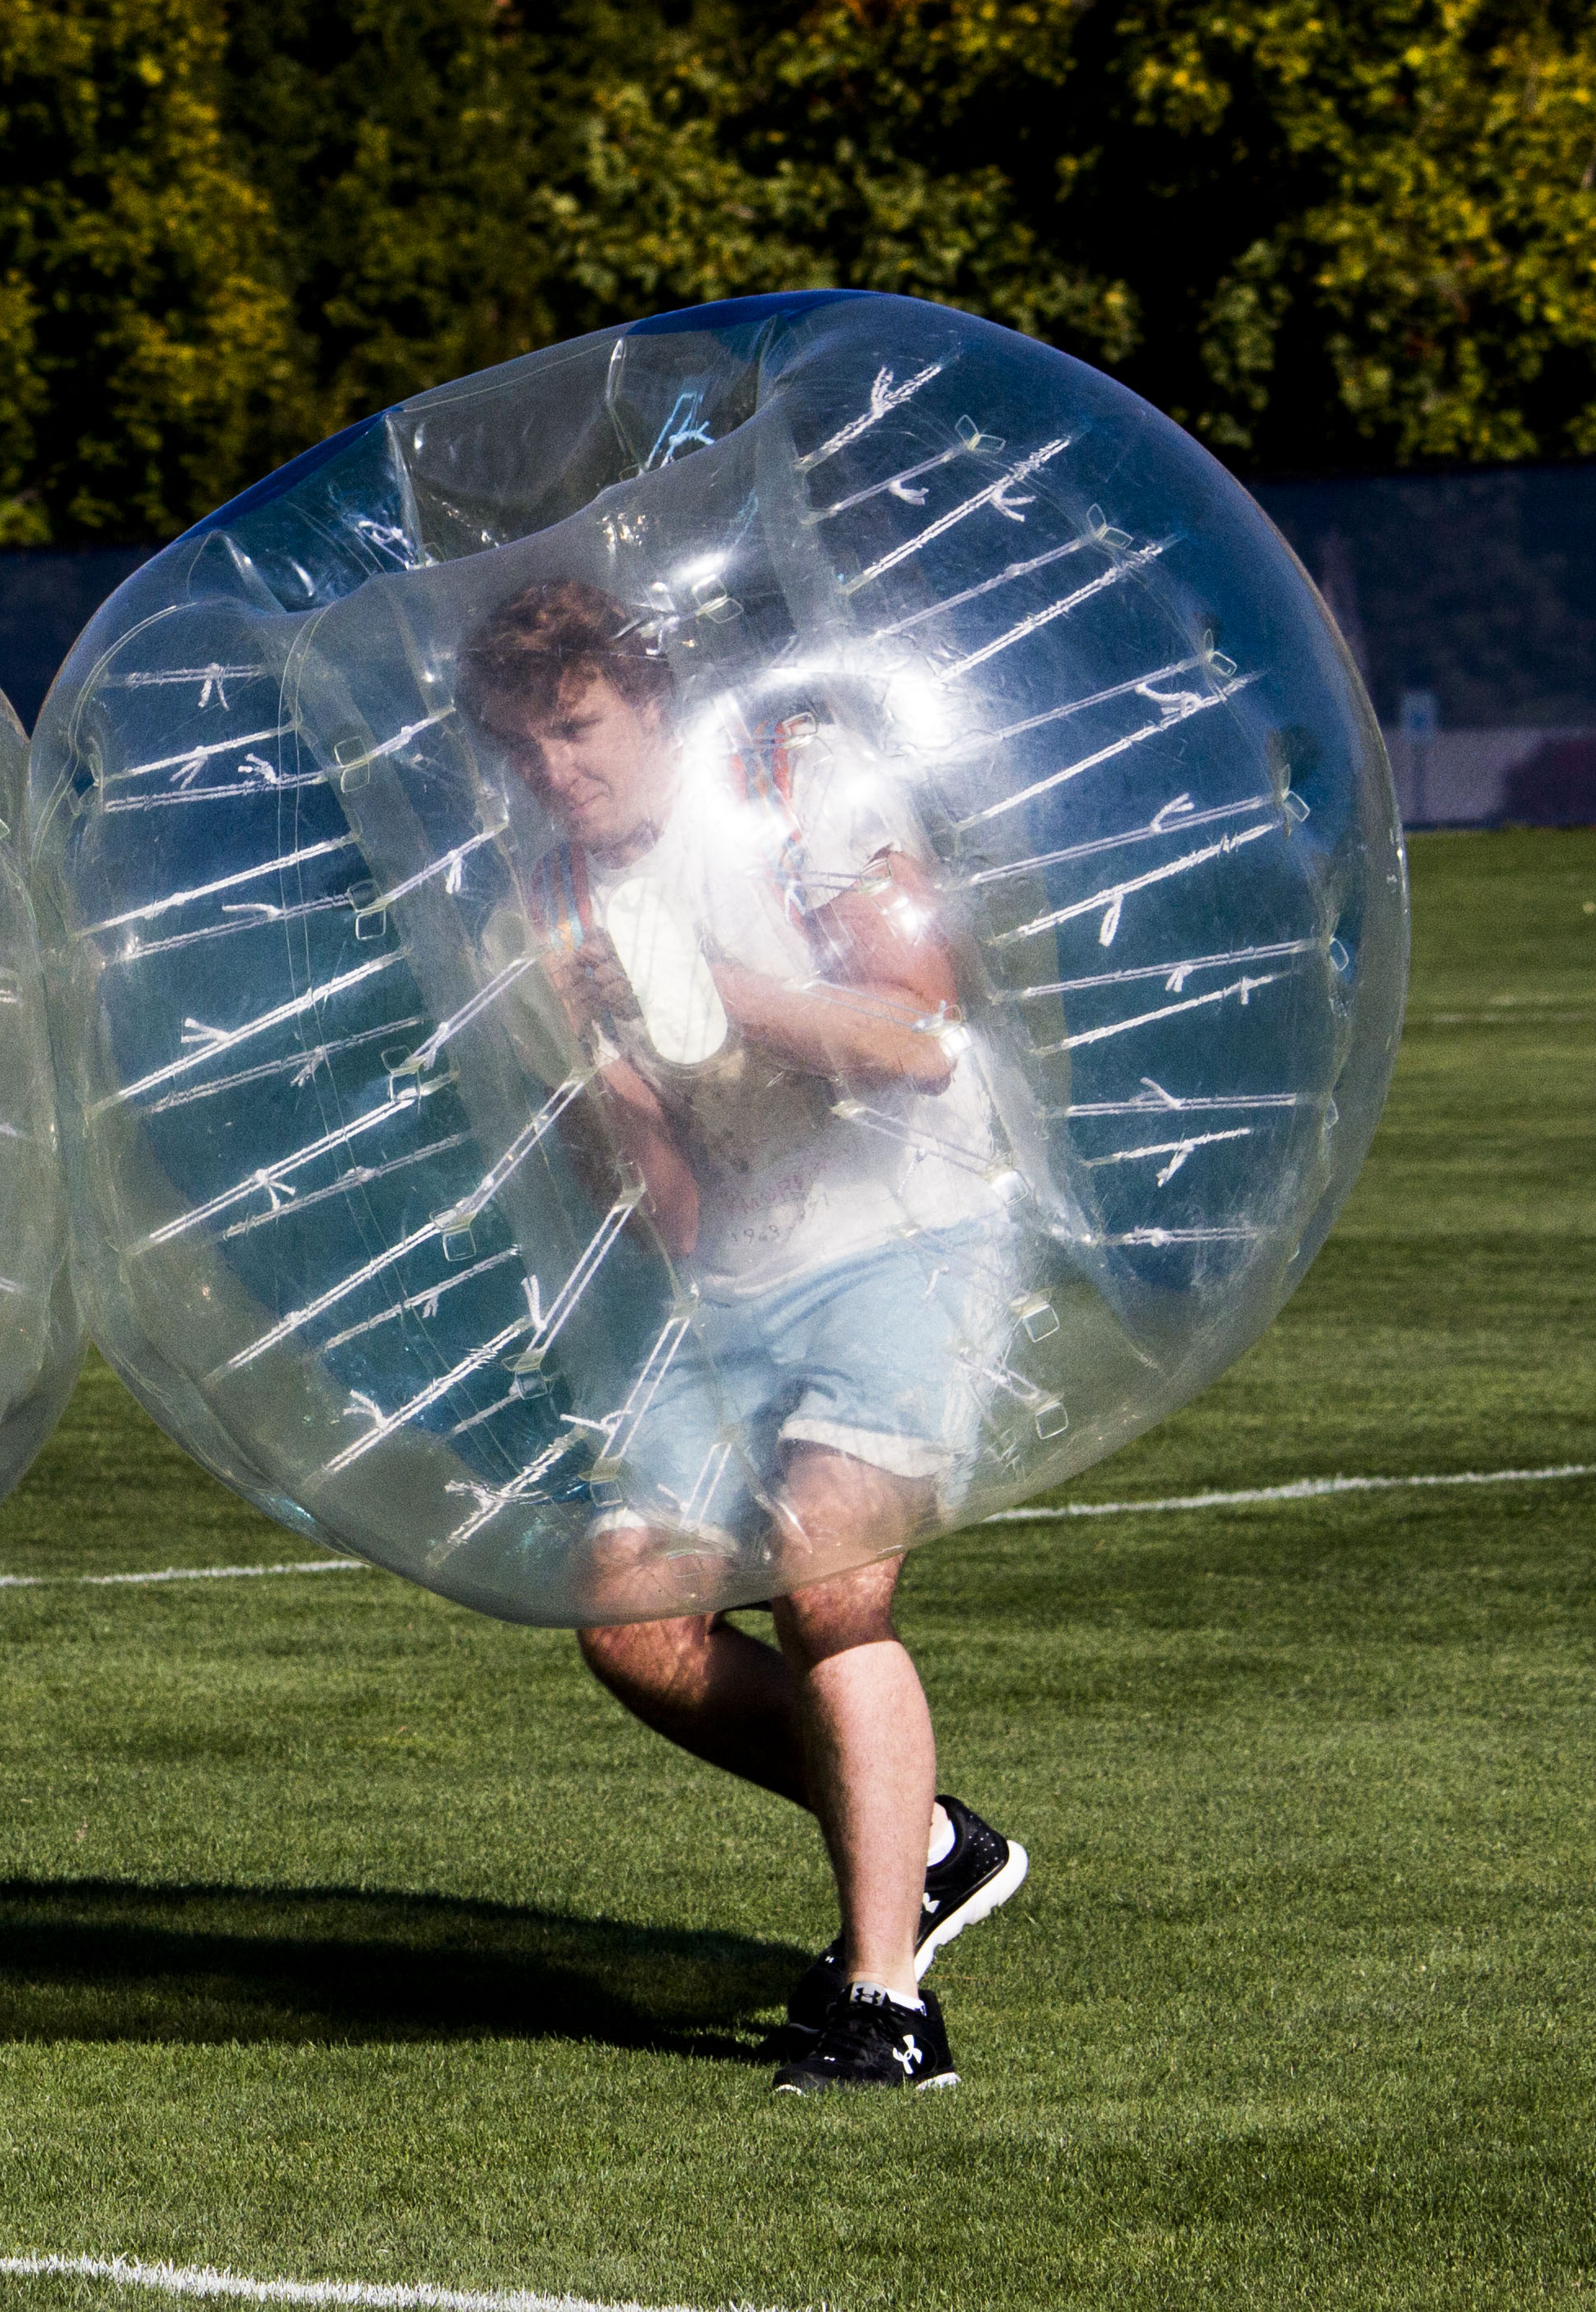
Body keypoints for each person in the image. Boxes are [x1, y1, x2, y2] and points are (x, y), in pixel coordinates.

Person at [458, 576, 1031, 2096]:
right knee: (627, 1621)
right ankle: (920, 1840)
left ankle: (884, 2002)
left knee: (825, 1580)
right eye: (524, 750)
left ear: (646, 695)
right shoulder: (550, 898)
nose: (557, 773)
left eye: (577, 730)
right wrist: (593, 1067)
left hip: (913, 1222)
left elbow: (917, 1036)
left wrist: (707, 992)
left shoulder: (794, 788)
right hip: (746, 1268)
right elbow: (666, 1203)